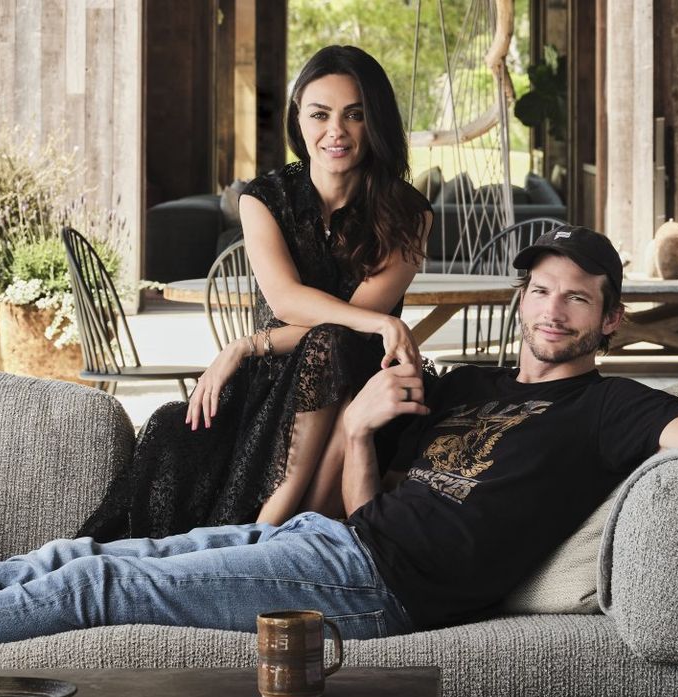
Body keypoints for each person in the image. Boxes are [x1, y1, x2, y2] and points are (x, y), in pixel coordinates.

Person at [0, 225, 678, 648]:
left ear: (610, 320)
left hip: (374, 589)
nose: (554, 311)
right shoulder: (465, 387)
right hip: (326, 542)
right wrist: (360, 433)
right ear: (521, 299)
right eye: (543, 291)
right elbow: (369, 506)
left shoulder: (610, 407)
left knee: (96, 585)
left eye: (579, 298)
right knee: (73, 556)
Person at [77, 45, 432, 541]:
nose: (336, 131)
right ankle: (270, 537)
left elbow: (348, 322)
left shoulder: (409, 214)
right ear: (298, 119)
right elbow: (287, 300)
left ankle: (266, 532)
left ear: (376, 121)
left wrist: (248, 342)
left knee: (338, 346)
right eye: (320, 114)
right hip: (270, 386)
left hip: (364, 387)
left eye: (355, 114)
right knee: (171, 434)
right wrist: (378, 323)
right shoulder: (264, 199)